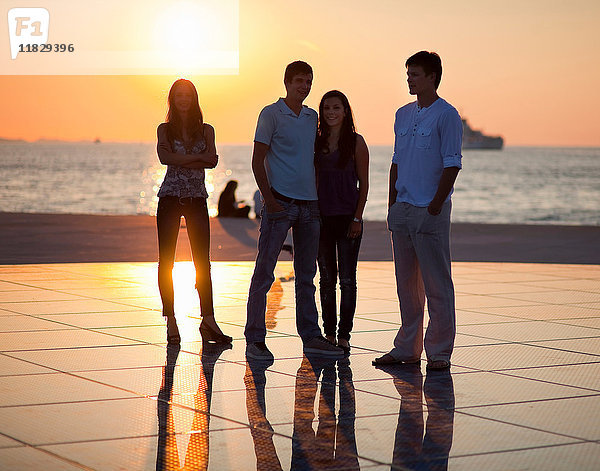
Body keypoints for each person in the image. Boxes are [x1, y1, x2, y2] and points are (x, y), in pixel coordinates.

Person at [245, 60, 344, 360]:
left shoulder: (312, 117)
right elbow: (257, 159)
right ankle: (255, 339)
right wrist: (269, 200)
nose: (305, 86)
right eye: (300, 80)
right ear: (287, 82)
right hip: (279, 203)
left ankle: (311, 337)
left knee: (306, 276)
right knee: (264, 273)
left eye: (309, 81)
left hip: (309, 206)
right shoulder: (271, 114)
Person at [373, 51, 462, 370]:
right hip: (403, 209)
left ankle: (439, 351)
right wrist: (392, 205)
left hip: (430, 211)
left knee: (437, 283)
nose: (409, 79)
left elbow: (452, 164)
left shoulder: (447, 115)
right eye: (408, 73)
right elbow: (396, 160)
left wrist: (436, 206)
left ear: (432, 77)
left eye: (415, 74)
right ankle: (407, 348)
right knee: (406, 285)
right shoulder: (402, 114)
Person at [156, 78, 232, 345]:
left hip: (197, 198)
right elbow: (165, 159)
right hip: (170, 197)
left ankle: (208, 321)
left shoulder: (206, 130)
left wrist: (182, 159)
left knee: (203, 261)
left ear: (194, 98)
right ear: (173, 100)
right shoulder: (164, 130)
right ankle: (171, 320)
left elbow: (212, 160)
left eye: (188, 95)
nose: (184, 99)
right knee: (167, 261)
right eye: (179, 95)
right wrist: (195, 160)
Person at [315, 90, 369, 354]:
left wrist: (357, 217)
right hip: (322, 220)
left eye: (336, 108)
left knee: (347, 279)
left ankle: (344, 334)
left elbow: (364, 184)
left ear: (345, 111)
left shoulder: (357, 142)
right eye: (326, 109)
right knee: (326, 279)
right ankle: (329, 333)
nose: (331, 113)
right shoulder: (316, 142)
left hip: (349, 219)